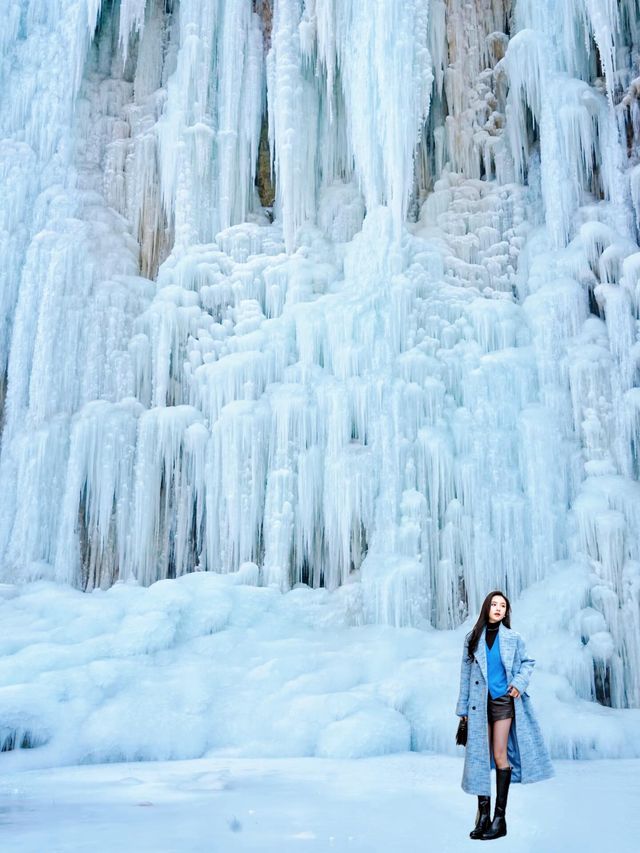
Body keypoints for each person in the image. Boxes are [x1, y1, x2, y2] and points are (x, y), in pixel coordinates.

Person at [455, 590, 553, 840]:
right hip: (478, 704)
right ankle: (483, 817)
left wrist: (519, 684)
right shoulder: (472, 638)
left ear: (506, 612)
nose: (498, 608)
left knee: (500, 755)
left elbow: (528, 663)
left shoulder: (513, 638)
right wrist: (462, 711)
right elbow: (465, 677)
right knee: (479, 756)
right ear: (486, 607)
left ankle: (500, 819)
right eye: (494, 604)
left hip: (503, 702)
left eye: (503, 606)